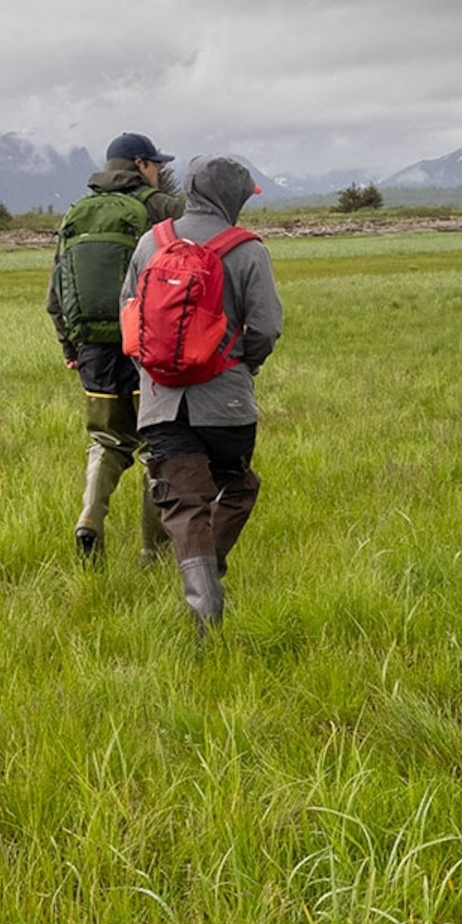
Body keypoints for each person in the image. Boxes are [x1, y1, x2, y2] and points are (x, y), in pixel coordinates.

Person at [123, 155, 281, 633]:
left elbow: (130, 323)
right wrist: (241, 368)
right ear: (234, 197)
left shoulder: (151, 242)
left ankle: (203, 601)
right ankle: (211, 584)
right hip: (227, 405)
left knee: (183, 503)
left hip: (161, 404)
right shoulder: (248, 249)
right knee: (237, 485)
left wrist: (155, 372)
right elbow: (268, 328)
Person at [47, 133, 183, 563]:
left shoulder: (76, 214)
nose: (160, 171)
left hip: (93, 346)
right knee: (156, 444)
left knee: (106, 438)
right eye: (156, 164)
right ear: (140, 164)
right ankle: (153, 552)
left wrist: (70, 343)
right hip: (147, 344)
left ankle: (89, 517)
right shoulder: (158, 207)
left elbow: (56, 290)